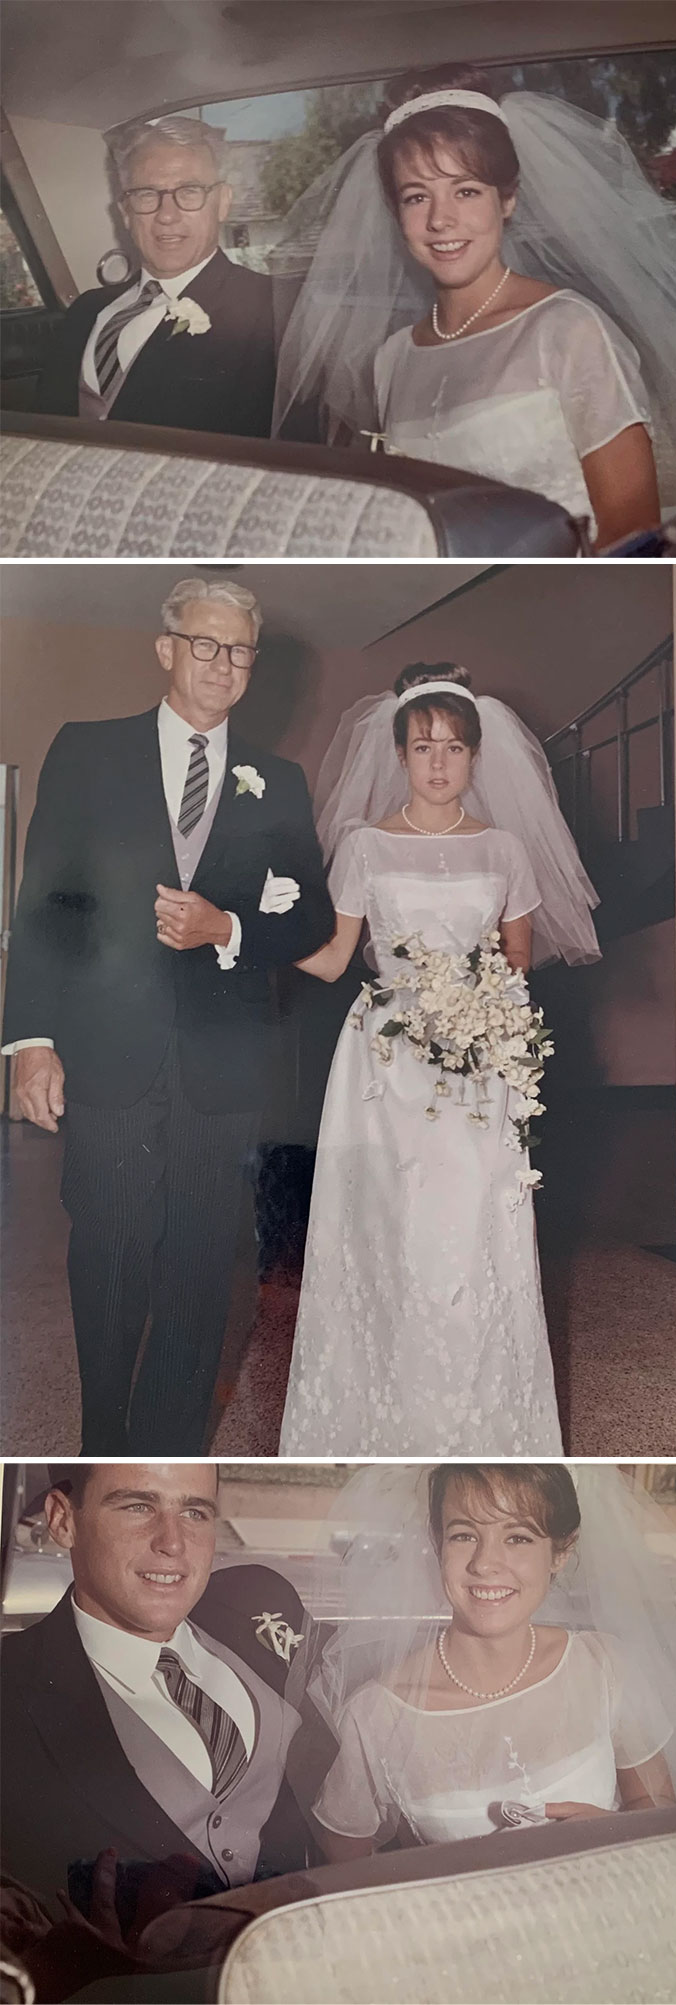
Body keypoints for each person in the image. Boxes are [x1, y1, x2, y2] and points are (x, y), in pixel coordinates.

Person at [1, 576, 335, 1453]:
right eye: (205, 644)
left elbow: (311, 923)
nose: (222, 665)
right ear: (167, 649)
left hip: (223, 1069)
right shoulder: (86, 751)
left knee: (197, 1265)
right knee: (108, 1255)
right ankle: (104, 1441)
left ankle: (172, 1443)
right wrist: (31, 1044)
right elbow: (44, 904)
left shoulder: (282, 782)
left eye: (239, 651)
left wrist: (225, 925)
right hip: (109, 1053)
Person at [279, 662, 600, 1456]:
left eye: (455, 749)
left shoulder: (504, 848)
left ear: (475, 759)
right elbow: (332, 958)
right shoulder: (364, 846)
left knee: (467, 1223)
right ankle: (385, 1408)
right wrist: (253, 932)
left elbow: (516, 960)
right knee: (391, 1228)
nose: (438, 762)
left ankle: (473, 1409)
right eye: (424, 746)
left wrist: (486, 1022)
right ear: (400, 755)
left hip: (478, 1060)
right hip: (382, 1066)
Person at [273, 64, 676, 547]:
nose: (440, 219)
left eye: (467, 191)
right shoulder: (392, 357)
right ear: (396, 214)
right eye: (417, 197)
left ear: (508, 201)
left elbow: (632, 535)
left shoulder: (569, 330)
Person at [296, 1462, 676, 1858]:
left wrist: (611, 1834)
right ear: (437, 1544)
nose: (485, 1563)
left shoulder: (603, 1666)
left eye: (519, 1538)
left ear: (561, 1551)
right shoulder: (375, 1717)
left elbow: (656, 1804)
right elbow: (350, 1880)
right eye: (464, 1535)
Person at [0, 1463, 322, 1937]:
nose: (172, 1542)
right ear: (63, 1519)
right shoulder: (11, 1688)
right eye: (137, 1506)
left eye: (194, 1511)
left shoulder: (264, 1602)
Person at [39, 115, 275, 437]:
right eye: (146, 194)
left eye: (189, 191)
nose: (166, 215)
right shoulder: (86, 309)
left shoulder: (270, 309)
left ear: (222, 203)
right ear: (125, 213)